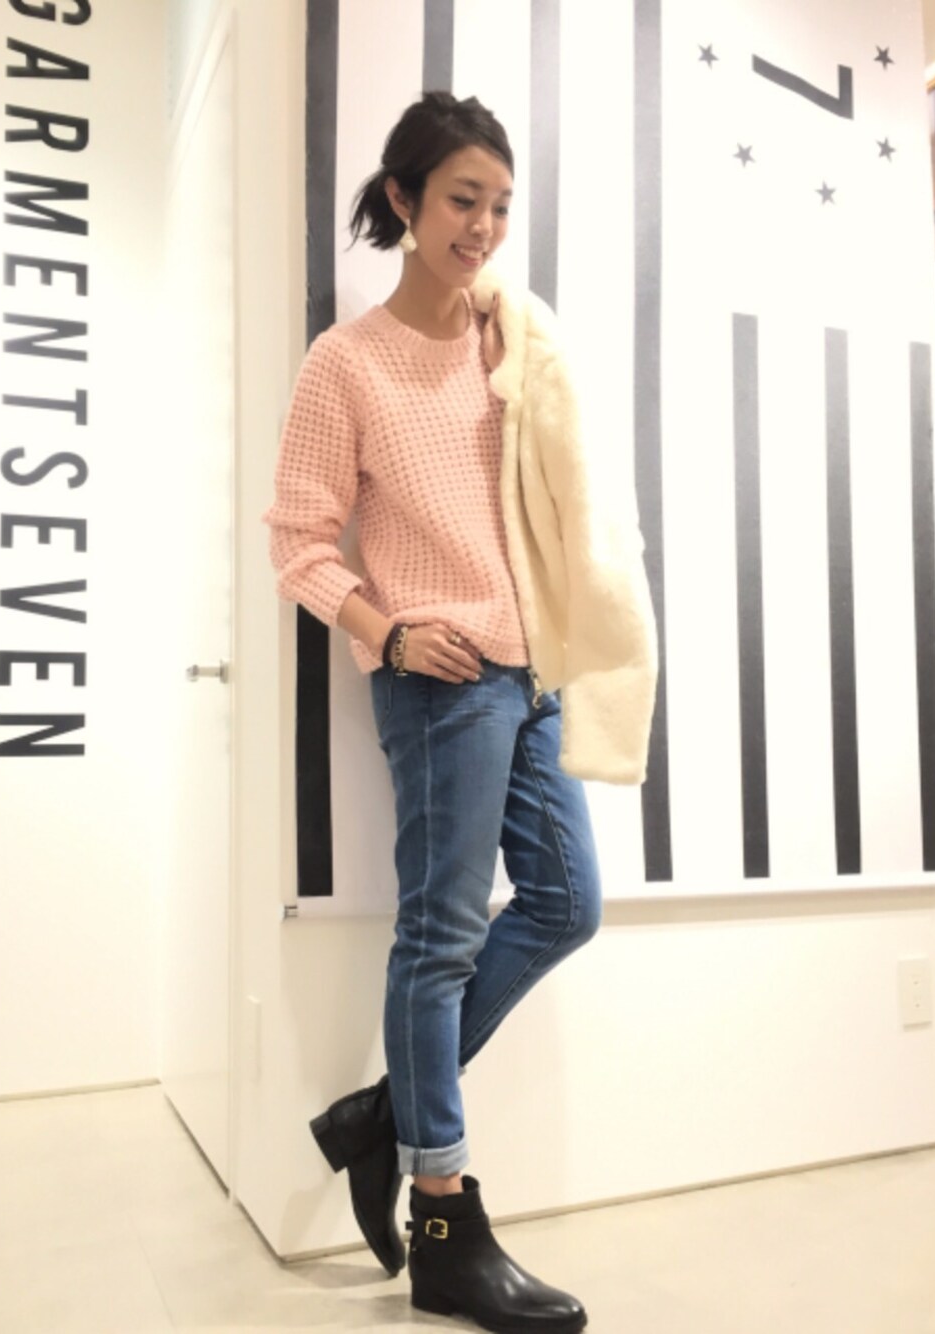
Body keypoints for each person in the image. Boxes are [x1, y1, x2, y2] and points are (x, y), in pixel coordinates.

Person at [264, 91, 656, 1334]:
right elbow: (296, 543)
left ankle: (381, 1115)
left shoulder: (511, 339)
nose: (481, 227)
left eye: (497, 205)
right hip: (436, 676)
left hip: (531, 672)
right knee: (435, 938)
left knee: (566, 903)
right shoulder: (346, 362)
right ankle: (442, 1213)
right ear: (402, 200)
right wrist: (387, 630)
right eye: (458, 200)